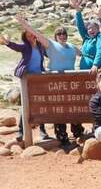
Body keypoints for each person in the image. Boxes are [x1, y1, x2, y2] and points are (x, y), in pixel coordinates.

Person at [14, 14, 82, 148]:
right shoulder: (51, 45)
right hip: (54, 83)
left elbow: (85, 54)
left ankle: (78, 132)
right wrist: (24, 24)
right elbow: (36, 33)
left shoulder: (72, 46)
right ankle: (62, 137)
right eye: (59, 34)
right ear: (55, 36)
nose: (62, 36)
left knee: (73, 107)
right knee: (58, 110)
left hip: (70, 83)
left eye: (64, 33)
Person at [0, 23, 50, 146]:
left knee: (41, 104)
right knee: (26, 105)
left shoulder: (40, 46)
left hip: (39, 78)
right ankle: (21, 132)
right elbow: (16, 47)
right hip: (27, 79)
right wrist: (7, 42)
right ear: (25, 37)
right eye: (28, 36)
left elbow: (49, 53)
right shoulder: (25, 47)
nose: (30, 37)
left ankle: (43, 132)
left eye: (32, 34)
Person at [70, 0, 101, 74]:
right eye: (89, 28)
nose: (91, 30)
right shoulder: (86, 37)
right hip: (83, 70)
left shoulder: (100, 37)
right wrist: (77, 10)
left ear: (98, 29)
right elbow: (80, 26)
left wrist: (95, 65)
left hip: (94, 70)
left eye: (94, 28)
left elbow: (100, 50)